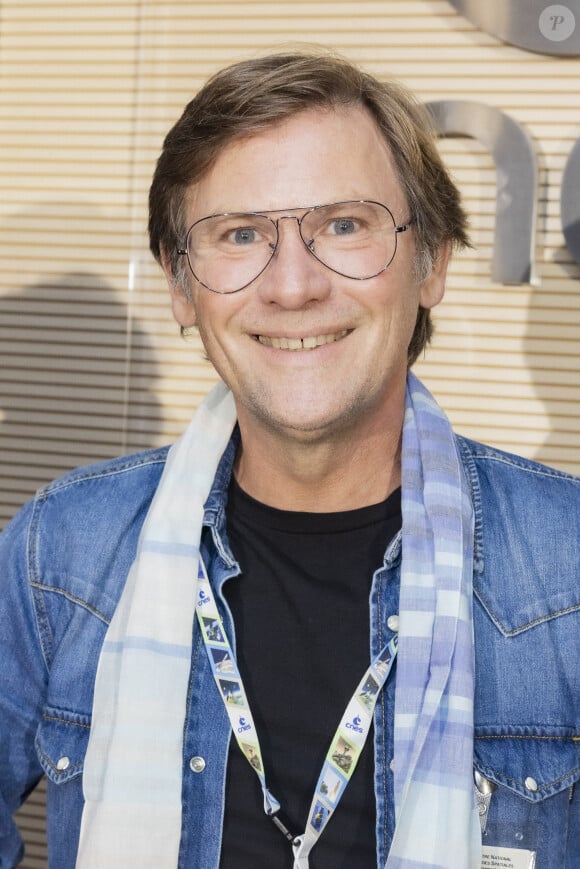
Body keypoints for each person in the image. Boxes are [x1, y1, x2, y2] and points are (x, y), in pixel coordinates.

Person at [1, 50, 579, 869]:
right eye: (240, 235)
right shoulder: (59, 554)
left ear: (432, 260)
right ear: (180, 286)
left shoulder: (569, 568)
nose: (294, 284)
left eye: (344, 224)